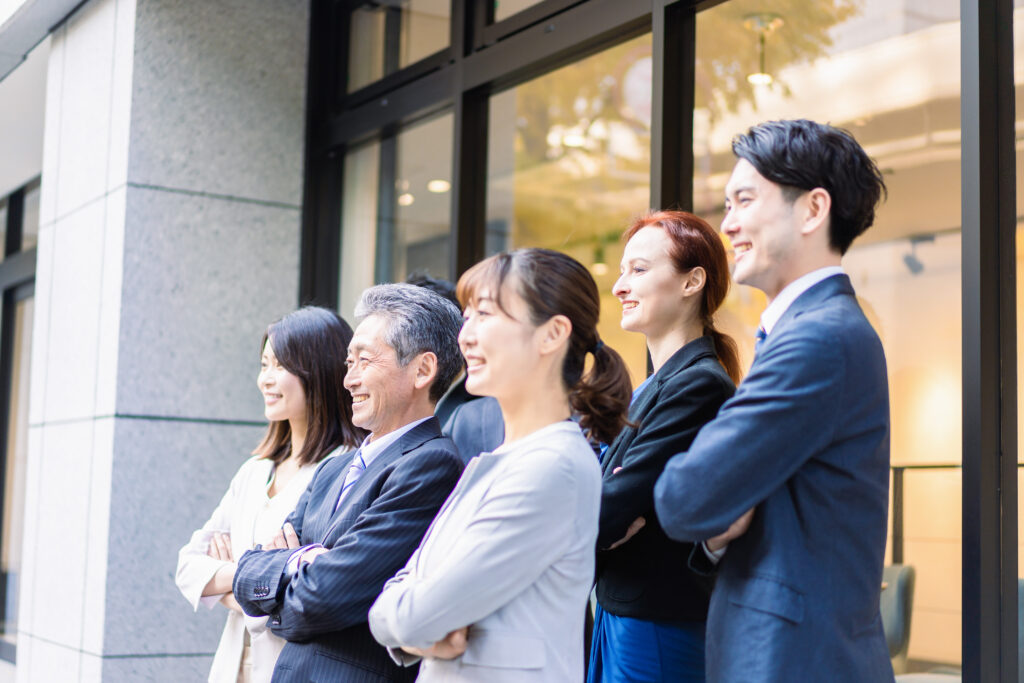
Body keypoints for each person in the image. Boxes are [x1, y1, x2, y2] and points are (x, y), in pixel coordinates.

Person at [653, 119, 892, 682]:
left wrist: (710, 517)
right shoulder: (807, 330)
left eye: (744, 200)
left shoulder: (818, 338)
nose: (728, 223)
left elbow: (683, 496)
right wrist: (715, 530)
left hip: (793, 661)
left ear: (812, 210)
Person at [369, 248, 633, 682]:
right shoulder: (501, 460)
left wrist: (405, 620)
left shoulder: (551, 468)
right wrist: (407, 619)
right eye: (467, 315)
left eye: (485, 314)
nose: (464, 335)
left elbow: (412, 612)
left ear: (552, 335)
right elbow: (405, 602)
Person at [232, 284, 465, 682]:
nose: (348, 380)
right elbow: (245, 574)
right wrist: (304, 559)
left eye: (364, 361)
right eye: (348, 362)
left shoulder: (431, 464)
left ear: (422, 370)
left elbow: (325, 598)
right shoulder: (333, 469)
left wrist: (280, 585)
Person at [589, 211, 741, 683]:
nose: (619, 286)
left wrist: (602, 502)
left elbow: (611, 506)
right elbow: (605, 503)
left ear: (692, 281)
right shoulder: (658, 385)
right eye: (620, 270)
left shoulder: (699, 385)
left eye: (638, 269)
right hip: (624, 609)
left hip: (655, 621)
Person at [175, 306, 364, 683]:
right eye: (264, 365)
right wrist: (263, 578)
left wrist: (229, 580)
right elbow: (187, 567)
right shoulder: (255, 471)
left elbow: (311, 592)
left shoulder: (348, 469)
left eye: (281, 366)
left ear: (320, 371)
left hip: (293, 669)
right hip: (231, 666)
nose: (266, 379)